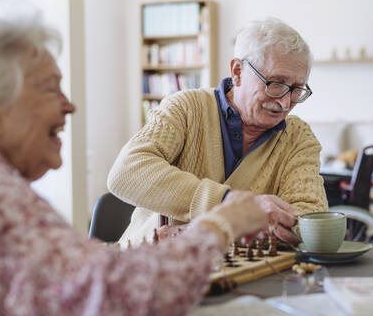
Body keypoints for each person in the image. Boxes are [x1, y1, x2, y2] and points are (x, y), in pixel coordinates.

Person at [0, 0, 282, 316]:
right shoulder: (1, 199)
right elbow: (111, 298)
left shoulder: (10, 191)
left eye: (296, 89)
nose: (69, 105)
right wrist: (222, 223)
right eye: (50, 89)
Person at [108, 18, 328, 247]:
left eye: (296, 90)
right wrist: (230, 205)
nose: (284, 102)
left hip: (239, 276)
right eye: (276, 84)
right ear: (238, 72)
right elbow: (126, 172)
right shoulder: (185, 108)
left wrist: (200, 232)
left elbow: (310, 220)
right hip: (148, 264)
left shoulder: (298, 137)